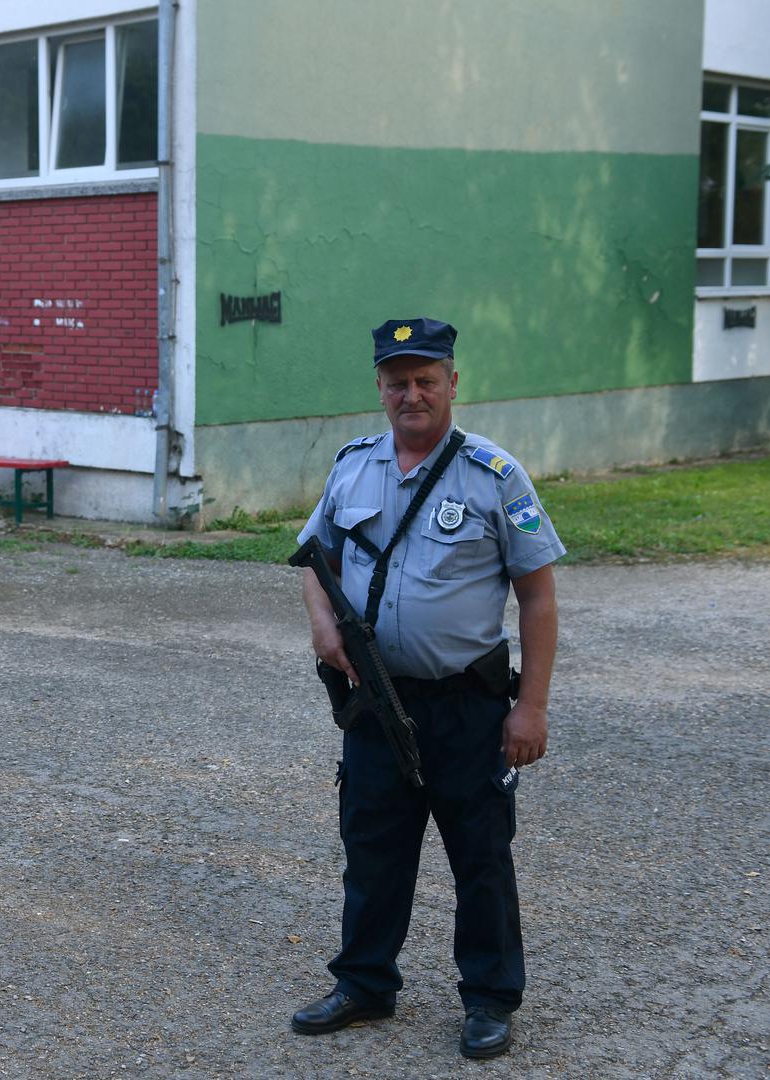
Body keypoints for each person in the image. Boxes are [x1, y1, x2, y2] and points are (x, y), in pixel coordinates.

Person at [289, 317, 562, 1060]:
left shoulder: (495, 475)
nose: (412, 393)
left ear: (451, 383)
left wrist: (530, 706)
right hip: (377, 703)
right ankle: (365, 983)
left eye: (426, 380)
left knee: (480, 856)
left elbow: (537, 596)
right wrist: (323, 626)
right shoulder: (351, 465)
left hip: (467, 707)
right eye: (397, 381)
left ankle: (490, 999)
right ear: (379, 386)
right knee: (372, 847)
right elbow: (315, 558)